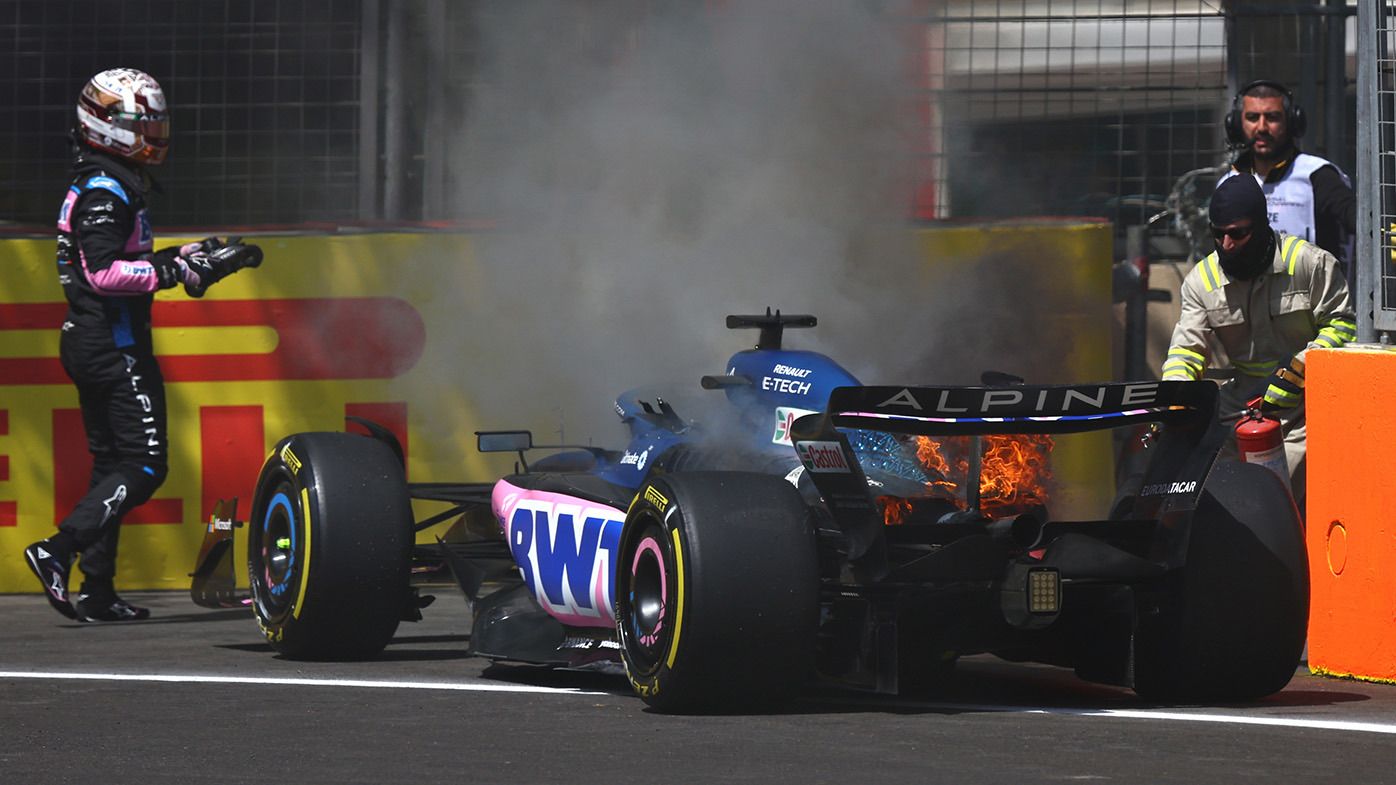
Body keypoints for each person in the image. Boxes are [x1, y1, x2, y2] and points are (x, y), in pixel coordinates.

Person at [22, 68, 263, 622]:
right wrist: (175, 269)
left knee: (111, 465)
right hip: (113, 345)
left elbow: (127, 261)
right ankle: (56, 551)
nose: (153, 132)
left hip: (93, 342)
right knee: (147, 465)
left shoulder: (108, 179)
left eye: (156, 120)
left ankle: (98, 592)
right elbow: (105, 273)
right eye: (140, 122)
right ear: (103, 124)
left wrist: (197, 254)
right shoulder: (106, 190)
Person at [1161, 174, 1355, 511]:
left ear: (1262, 225)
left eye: (1237, 233)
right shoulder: (1201, 282)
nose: (1226, 244)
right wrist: (1174, 397)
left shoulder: (1309, 263)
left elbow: (1343, 324)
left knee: (1273, 496)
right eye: (1217, 234)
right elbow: (1186, 350)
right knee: (1202, 486)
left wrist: (1301, 368)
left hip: (1308, 408)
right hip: (1240, 406)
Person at [1221, 79, 1358, 284]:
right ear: (1236, 124)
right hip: (1250, 308)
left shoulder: (1317, 175)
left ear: (1292, 122)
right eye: (1252, 117)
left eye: (1272, 117)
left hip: (1314, 307)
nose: (1262, 127)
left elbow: (1358, 219)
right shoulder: (1229, 182)